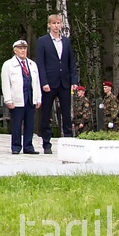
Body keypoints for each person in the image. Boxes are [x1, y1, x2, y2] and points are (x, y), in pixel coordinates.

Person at [35, 14, 79, 154]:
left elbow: (71, 62)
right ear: (49, 25)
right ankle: (46, 143)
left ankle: (68, 141)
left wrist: (74, 81)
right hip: (49, 82)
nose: (56, 26)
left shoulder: (66, 42)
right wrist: (44, 81)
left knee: (66, 113)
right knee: (46, 113)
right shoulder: (43, 41)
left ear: (61, 25)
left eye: (58, 23)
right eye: (53, 23)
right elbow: (40, 63)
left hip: (64, 82)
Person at [1, 40, 42, 154]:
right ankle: (16, 146)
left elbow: (37, 82)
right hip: (17, 98)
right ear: (15, 50)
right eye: (20, 48)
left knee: (30, 124)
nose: (23, 50)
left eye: (24, 48)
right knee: (16, 124)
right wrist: (8, 99)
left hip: (30, 97)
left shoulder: (32, 64)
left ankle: (28, 146)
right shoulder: (8, 64)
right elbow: (6, 84)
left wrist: (38, 98)